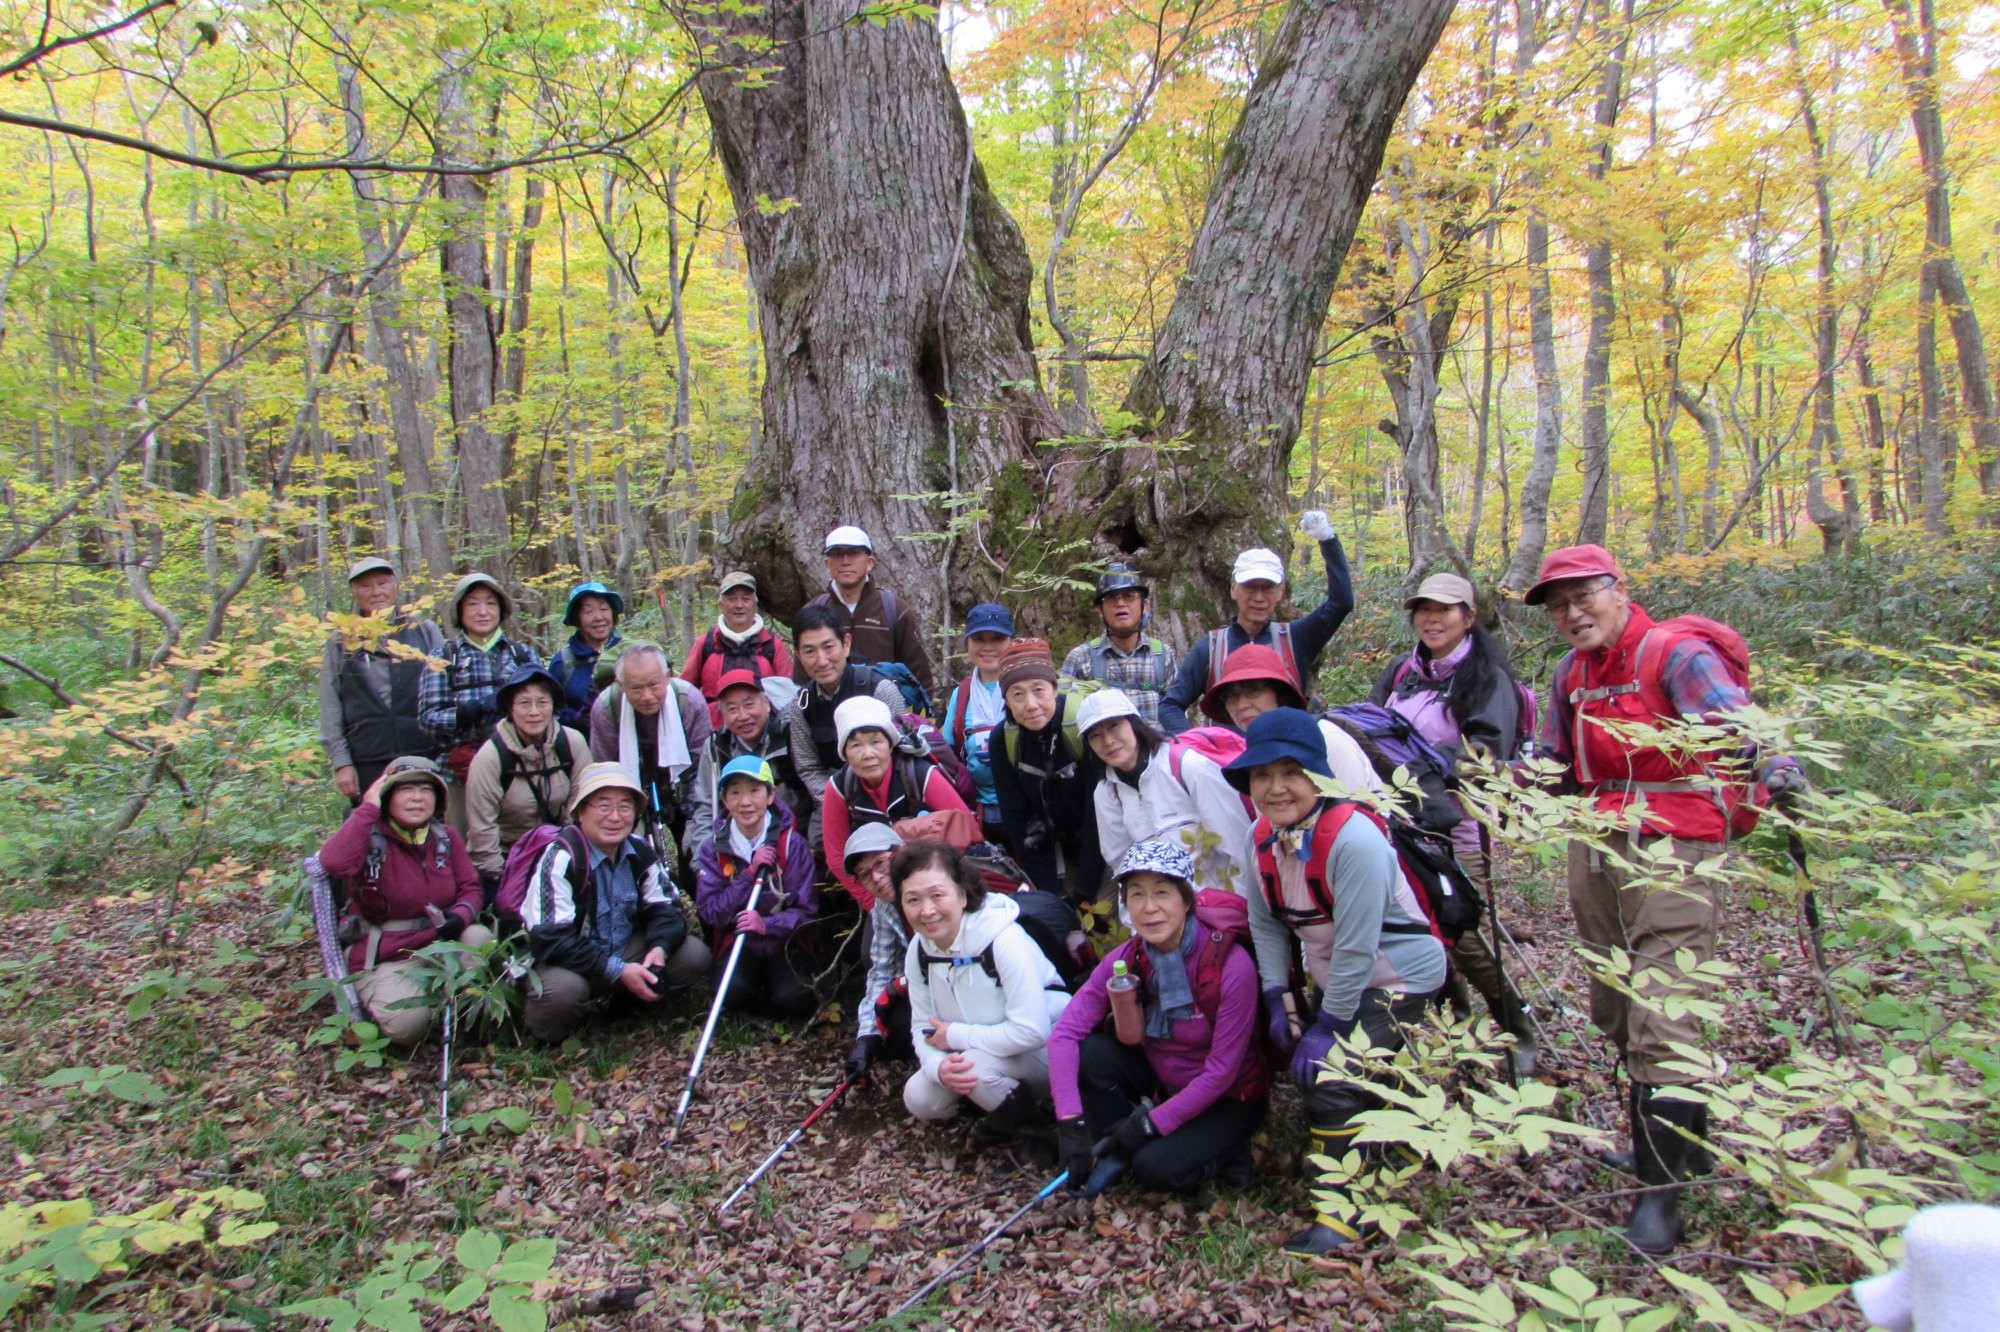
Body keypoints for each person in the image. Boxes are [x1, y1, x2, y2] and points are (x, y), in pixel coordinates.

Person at [1527, 543, 1805, 1254]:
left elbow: (1741, 724)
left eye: (1583, 596)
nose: (1572, 614)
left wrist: (1780, 766)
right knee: (1616, 1004)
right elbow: (1553, 760)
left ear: (1618, 590)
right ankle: (1688, 1146)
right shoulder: (1570, 673)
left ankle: (1660, 1200)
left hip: (1676, 845)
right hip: (1596, 843)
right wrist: (1504, 781)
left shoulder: (1673, 655)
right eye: (1558, 606)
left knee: (1664, 1008)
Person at [1222, 708, 1447, 1256]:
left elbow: (1357, 946)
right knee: (1335, 1062)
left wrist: (1328, 1024)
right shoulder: (1261, 836)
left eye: (1290, 773)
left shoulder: (1354, 840)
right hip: (1341, 974)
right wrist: (1277, 997)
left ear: (1318, 776)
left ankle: (1346, 1212)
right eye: (1261, 775)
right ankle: (1394, 1141)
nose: (1276, 788)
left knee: (1332, 1074)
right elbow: (1264, 922)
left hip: (1401, 975)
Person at [1368, 572, 1538, 1076]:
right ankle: (1456, 1022)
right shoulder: (1403, 670)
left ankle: (1518, 1031)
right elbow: (1372, 724)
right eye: (1424, 609)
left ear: (1468, 616)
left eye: (1444, 609)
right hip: (1401, 823)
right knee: (1421, 928)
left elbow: (1486, 756)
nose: (1432, 618)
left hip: (1458, 827)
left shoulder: (1486, 678)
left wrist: (1416, 761)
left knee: (1462, 933)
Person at [1050, 840, 1267, 1194]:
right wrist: (1071, 1123)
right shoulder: (1130, 957)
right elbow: (1065, 1034)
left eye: (1162, 892)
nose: (1149, 908)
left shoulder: (1229, 966)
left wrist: (1150, 1125)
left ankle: (1229, 1154)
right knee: (1091, 1054)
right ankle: (1115, 1146)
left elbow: (1221, 1073)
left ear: (1186, 900)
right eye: (1136, 895)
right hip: (1165, 1079)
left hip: (1230, 1097)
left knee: (1153, 1169)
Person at [896, 840, 1071, 1155]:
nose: (927, 911)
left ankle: (1039, 1137)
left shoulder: (1004, 940)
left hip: (1049, 1052)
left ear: (962, 895)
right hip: (984, 1050)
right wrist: (938, 1067)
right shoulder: (919, 950)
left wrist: (956, 1036)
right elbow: (922, 1026)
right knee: (920, 1097)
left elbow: (1032, 1031)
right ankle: (999, 1104)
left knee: (972, 1069)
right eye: (913, 900)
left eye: (937, 895)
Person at [518, 762, 712, 1042]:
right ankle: (547, 1033)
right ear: (581, 812)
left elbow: (667, 909)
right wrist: (617, 970)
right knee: (563, 992)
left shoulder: (639, 851)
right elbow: (552, 940)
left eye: (624, 807)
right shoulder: (561, 858)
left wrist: (659, 947)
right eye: (603, 806)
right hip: (566, 963)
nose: (615, 817)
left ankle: (628, 1007)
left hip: (620, 948)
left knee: (693, 954)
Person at [315, 757, 493, 1046]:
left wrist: (459, 916)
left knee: (479, 936)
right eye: (406, 789)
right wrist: (367, 809)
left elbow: (470, 887)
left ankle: (458, 1013)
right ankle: (412, 1006)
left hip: (438, 943)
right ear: (387, 796)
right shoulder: (368, 837)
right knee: (408, 1026)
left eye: (426, 790)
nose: (417, 798)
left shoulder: (444, 837)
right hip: (386, 955)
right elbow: (333, 863)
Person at [1159, 511, 1355, 733]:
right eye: (1250, 587)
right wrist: (1199, 746)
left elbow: (1342, 603)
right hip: (1229, 754)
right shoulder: (1211, 649)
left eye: (1268, 588)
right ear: (1233, 589)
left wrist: (1327, 539)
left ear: (1280, 592)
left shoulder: (1296, 639)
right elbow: (1170, 706)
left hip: (1285, 750)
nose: (1259, 597)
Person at [1077, 689, 1256, 899]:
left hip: (1221, 903)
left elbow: (1238, 846)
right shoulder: (1107, 793)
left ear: (1134, 724)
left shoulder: (1188, 767)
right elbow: (1122, 865)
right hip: (1160, 911)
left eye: (1114, 726)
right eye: (1095, 735)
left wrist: (1237, 909)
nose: (1108, 741)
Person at [692, 756, 819, 1020]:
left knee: (794, 999)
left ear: (770, 795)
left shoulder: (791, 844)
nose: (745, 802)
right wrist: (748, 875)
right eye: (735, 793)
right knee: (731, 994)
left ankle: (776, 989)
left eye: (754, 790)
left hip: (785, 942)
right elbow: (710, 911)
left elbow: (807, 911)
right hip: (739, 940)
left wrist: (766, 925)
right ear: (724, 800)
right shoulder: (713, 848)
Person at [822, 697, 975, 911]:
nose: (868, 754)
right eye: (856, 745)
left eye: (876, 742)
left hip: (940, 888)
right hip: (881, 896)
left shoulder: (920, 776)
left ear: (890, 744)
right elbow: (836, 855)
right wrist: (875, 906)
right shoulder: (839, 788)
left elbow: (967, 829)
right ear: (844, 753)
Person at [317, 557, 445, 802]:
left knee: (427, 820)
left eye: (382, 583)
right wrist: (341, 762)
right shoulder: (340, 641)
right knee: (369, 822)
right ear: (354, 592)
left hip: (424, 752)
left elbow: (447, 690)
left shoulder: (423, 630)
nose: (376, 592)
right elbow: (330, 704)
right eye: (365, 586)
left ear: (395, 586)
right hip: (367, 757)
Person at [418, 572, 542, 826]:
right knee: (466, 845)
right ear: (459, 611)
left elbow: (547, 710)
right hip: (460, 775)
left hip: (521, 772)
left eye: (490, 603)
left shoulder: (522, 655)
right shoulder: (442, 658)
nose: (482, 612)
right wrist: (466, 713)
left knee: (525, 843)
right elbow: (427, 721)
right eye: (473, 604)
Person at [988, 639, 1106, 904]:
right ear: (1006, 700)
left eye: (1038, 690)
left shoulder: (1083, 726)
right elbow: (1016, 820)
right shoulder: (1003, 740)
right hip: (1053, 847)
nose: (1030, 704)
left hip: (1105, 844)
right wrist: (1052, 893)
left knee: (1102, 916)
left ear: (1054, 688)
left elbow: (1097, 815)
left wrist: (1084, 892)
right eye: (1017, 694)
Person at [463, 666, 593, 888]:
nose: (534, 712)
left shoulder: (572, 743)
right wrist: (500, 877)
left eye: (542, 702)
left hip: (563, 852)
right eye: (524, 703)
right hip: (508, 858)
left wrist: (572, 856)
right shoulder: (491, 756)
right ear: (510, 709)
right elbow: (481, 827)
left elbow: (582, 805)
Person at [588, 643, 713, 860]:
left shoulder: (689, 700)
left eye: (653, 685)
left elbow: (701, 766)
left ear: (667, 676)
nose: (646, 696)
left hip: (682, 782)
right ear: (620, 685)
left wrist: (696, 818)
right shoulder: (606, 707)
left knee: (694, 852)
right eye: (636, 688)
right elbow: (605, 770)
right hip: (630, 783)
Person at [1200, 645, 1379, 795]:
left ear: (1280, 693)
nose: (1241, 705)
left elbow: (1359, 813)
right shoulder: (1257, 750)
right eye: (1231, 696)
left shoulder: (1328, 740)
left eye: (1252, 690)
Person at [787, 605, 908, 823]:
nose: (821, 660)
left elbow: (904, 754)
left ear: (846, 644)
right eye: (809, 651)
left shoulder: (880, 690)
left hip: (893, 799)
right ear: (798, 654)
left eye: (828, 647)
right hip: (834, 801)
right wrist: (837, 802)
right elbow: (808, 767)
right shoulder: (801, 706)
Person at [794, 525, 933, 694]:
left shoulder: (895, 610)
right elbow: (801, 680)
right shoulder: (812, 612)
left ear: (870, 562)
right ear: (826, 563)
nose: (845, 561)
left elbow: (919, 677)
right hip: (826, 707)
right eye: (837, 554)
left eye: (853, 553)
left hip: (887, 706)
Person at [688, 669, 809, 839]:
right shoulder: (716, 746)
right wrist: (705, 853)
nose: (743, 716)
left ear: (766, 703)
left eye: (749, 705)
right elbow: (705, 808)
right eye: (732, 709)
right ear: (722, 715)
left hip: (796, 838)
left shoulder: (792, 733)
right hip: (737, 843)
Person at [1060, 564, 1179, 728]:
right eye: (1111, 598)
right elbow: (1066, 719)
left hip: (1158, 743)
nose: (1121, 603)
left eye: (1129, 595)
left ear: (1145, 605)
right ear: (1100, 610)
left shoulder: (1162, 655)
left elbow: (1177, 712)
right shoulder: (1080, 658)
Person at [842, 823, 913, 1083]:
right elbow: (882, 970)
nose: (877, 878)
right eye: (864, 875)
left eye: (881, 863)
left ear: (900, 853)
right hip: (930, 989)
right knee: (891, 1027)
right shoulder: (884, 908)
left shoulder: (937, 889)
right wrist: (867, 1038)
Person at [941, 602, 1015, 847]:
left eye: (998, 639)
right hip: (977, 812)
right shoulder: (961, 695)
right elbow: (946, 751)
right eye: (979, 638)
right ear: (967, 643)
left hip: (1025, 809)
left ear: (1012, 641)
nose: (988, 647)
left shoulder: (1025, 686)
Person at [682, 570, 793, 702]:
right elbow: (685, 692)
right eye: (732, 599)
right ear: (721, 604)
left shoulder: (772, 645)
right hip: (714, 715)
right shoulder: (706, 643)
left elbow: (789, 694)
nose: (739, 605)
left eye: (746, 599)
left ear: (755, 604)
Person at [547, 581, 626, 731]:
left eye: (604, 609)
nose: (599, 617)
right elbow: (551, 710)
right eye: (589, 612)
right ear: (577, 618)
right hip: (581, 742)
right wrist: (575, 718)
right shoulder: (563, 662)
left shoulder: (630, 652)